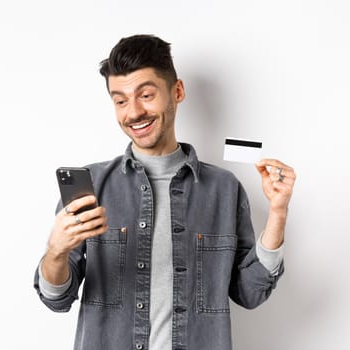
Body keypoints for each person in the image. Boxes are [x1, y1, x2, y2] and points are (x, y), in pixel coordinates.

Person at [34, 34, 296, 350]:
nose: (133, 113)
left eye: (145, 95)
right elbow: (57, 299)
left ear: (177, 91)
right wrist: (57, 250)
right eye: (120, 100)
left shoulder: (224, 190)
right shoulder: (92, 186)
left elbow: (249, 293)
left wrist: (278, 213)